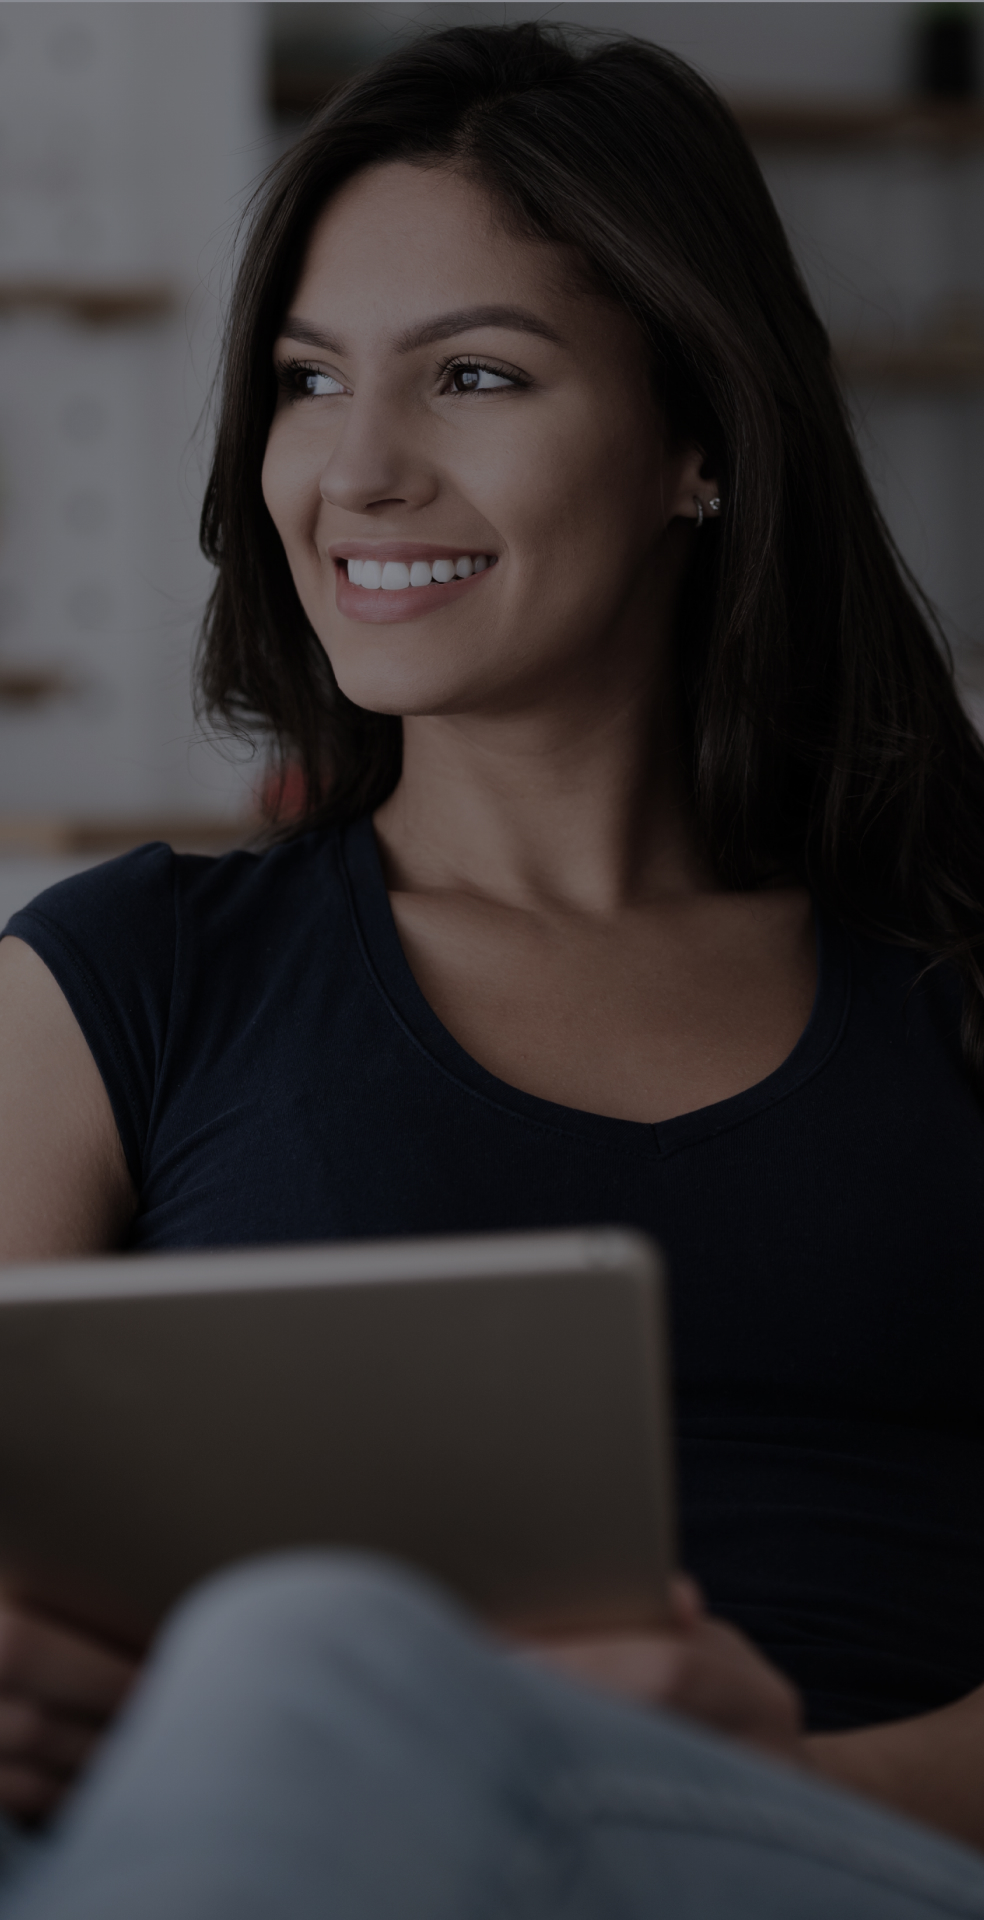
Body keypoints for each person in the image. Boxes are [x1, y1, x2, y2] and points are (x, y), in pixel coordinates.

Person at [0, 20, 981, 1914]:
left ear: (698, 440)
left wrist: (781, 1759)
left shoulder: (954, 966)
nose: (357, 469)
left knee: (316, 1655)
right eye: (304, 380)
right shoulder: (117, 981)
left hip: (820, 1845)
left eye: (471, 375)